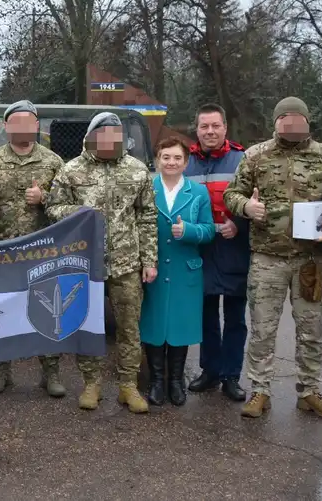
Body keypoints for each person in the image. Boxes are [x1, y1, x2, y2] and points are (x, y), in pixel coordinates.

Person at [224, 97, 322, 420]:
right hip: (267, 258)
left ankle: (309, 391)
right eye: (286, 119)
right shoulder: (256, 155)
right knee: (263, 329)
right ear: (276, 122)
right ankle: (260, 391)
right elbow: (232, 194)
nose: (291, 124)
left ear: (307, 122)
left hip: (310, 259)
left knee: (311, 329)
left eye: (297, 119)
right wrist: (245, 208)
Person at [45, 111, 157, 414]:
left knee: (129, 328)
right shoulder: (72, 170)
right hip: (85, 263)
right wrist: (81, 211)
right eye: (103, 134)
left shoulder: (136, 170)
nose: (109, 139)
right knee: (88, 325)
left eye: (115, 135)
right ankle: (91, 384)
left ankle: (128, 386)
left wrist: (149, 260)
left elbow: (147, 217)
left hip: (126, 263)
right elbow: (52, 207)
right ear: (91, 137)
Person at [0, 100, 66, 398]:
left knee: (47, 309)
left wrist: (44, 198)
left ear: (37, 126)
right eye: (15, 121)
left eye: (28, 121)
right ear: (6, 126)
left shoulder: (54, 162)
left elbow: (67, 206)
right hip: (2, 250)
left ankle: (50, 371)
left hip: (42, 251)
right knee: (2, 309)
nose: (22, 127)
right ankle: (1, 369)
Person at [140, 138, 215, 406]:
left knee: (180, 326)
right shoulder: (146, 188)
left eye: (177, 158)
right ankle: (157, 380)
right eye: (165, 157)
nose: (171, 162)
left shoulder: (198, 192)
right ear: (157, 159)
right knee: (154, 324)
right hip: (154, 269)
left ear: (186, 162)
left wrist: (189, 231)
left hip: (186, 270)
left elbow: (209, 230)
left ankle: (176, 380)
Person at [185, 104, 250, 402]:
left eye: (215, 126)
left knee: (235, 317)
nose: (210, 132)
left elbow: (257, 198)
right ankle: (210, 370)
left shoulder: (243, 159)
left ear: (225, 127)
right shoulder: (186, 163)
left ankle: (231, 376)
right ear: (196, 130)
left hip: (235, 248)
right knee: (206, 315)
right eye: (204, 127)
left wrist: (238, 223)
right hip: (201, 249)